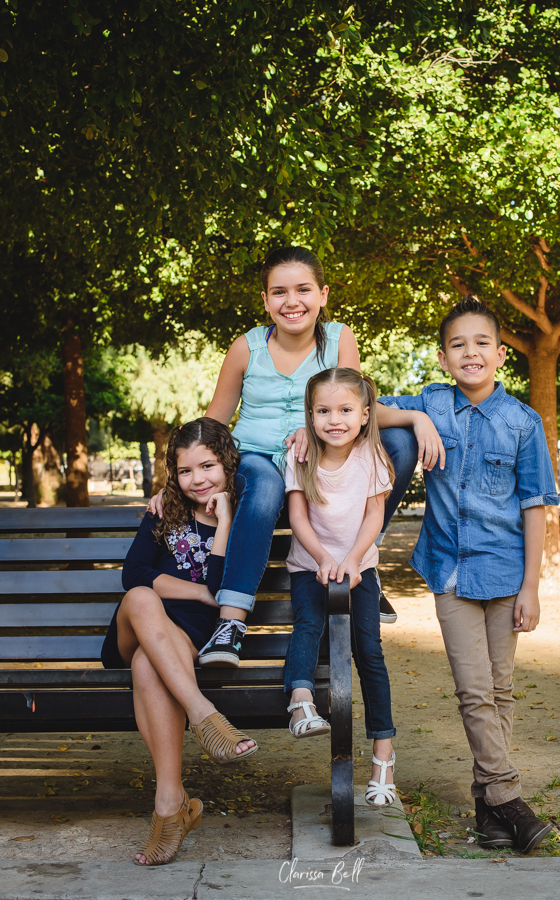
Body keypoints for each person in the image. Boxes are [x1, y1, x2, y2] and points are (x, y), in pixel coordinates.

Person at [148, 246, 443, 665]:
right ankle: (230, 622)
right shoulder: (246, 347)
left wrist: (415, 418)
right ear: (265, 300)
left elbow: (357, 407)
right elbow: (212, 424)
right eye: (279, 292)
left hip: (318, 469)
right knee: (266, 484)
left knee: (398, 443)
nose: (292, 302)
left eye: (303, 289)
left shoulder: (340, 338)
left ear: (323, 294)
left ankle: (360, 563)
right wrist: (170, 485)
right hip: (257, 462)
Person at [378, 296, 560, 853]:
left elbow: (535, 506)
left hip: (507, 573)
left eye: (482, 343)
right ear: (442, 357)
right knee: (475, 691)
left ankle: (488, 810)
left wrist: (532, 586)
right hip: (450, 569)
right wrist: (414, 417)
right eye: (458, 344)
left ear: (502, 355)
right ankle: (510, 798)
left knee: (500, 691)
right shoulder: (432, 402)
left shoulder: (523, 423)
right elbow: (367, 406)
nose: (470, 353)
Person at [101, 418, 257, 866]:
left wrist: (225, 519)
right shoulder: (164, 510)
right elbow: (134, 575)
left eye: (207, 466)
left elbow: (220, 579)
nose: (197, 480)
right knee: (140, 596)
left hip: (188, 636)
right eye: (186, 471)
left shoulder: (245, 514)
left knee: (149, 666)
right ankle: (203, 713)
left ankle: (170, 807)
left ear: (227, 463)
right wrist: (199, 593)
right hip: (137, 626)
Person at [283, 367, 397, 808]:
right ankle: (301, 701)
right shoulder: (300, 457)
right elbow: (297, 519)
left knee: (368, 651)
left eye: (346, 409)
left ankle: (383, 756)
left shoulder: (373, 459)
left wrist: (350, 561)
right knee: (309, 624)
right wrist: (325, 560)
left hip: (359, 567)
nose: (335, 419)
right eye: (324, 410)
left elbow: (373, 517)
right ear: (310, 416)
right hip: (309, 565)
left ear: (365, 414)